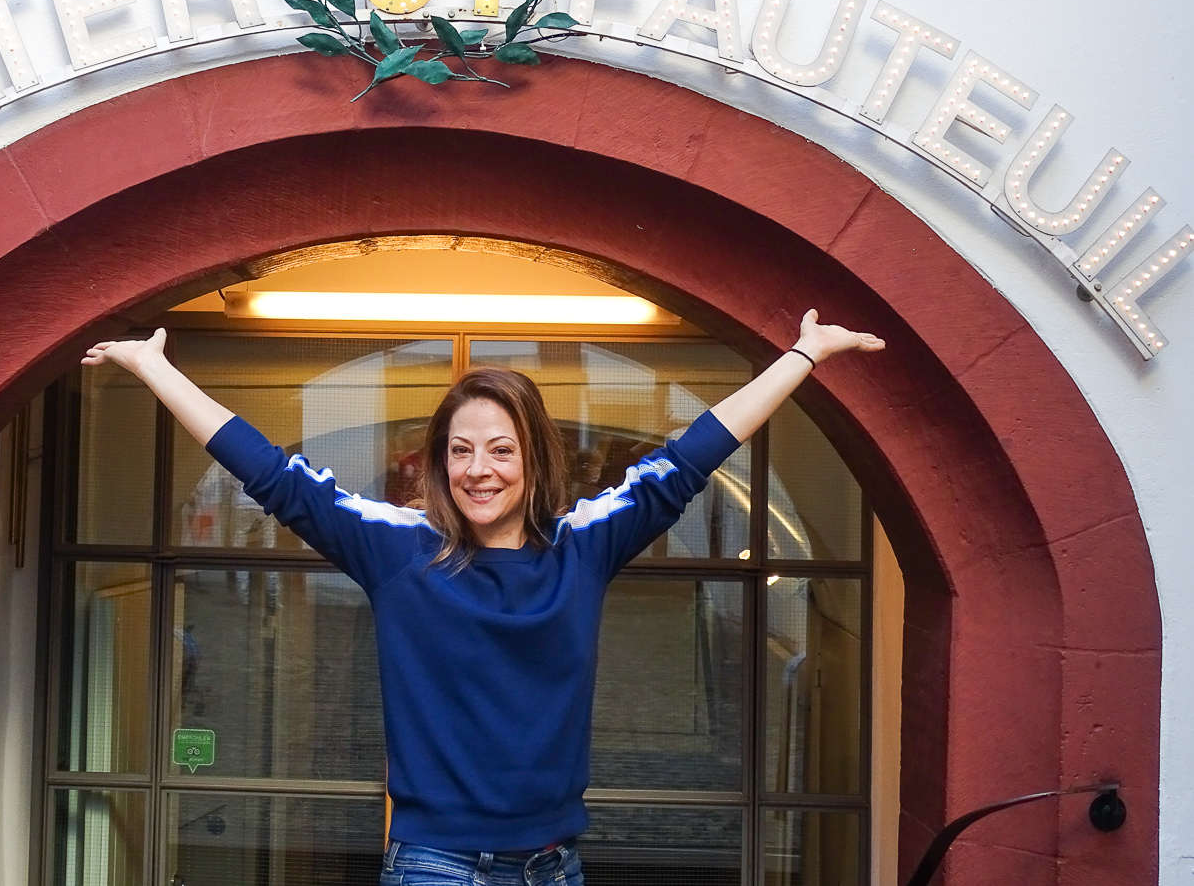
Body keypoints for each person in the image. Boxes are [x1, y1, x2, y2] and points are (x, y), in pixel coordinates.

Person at [84, 308, 884, 886]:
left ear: (534, 458)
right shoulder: (398, 550)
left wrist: (802, 355)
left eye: (501, 448)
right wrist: (156, 367)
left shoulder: (586, 546)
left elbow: (693, 454)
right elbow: (272, 474)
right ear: (438, 463)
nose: (479, 468)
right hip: (437, 865)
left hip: (554, 866)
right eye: (460, 449)